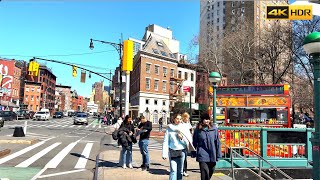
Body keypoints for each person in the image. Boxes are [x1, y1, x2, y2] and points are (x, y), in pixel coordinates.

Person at [193, 113, 222, 180]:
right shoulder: (198, 130)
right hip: (202, 154)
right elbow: (194, 141)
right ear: (202, 120)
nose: (207, 121)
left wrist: (218, 154)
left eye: (208, 119)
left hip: (212, 154)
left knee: (211, 170)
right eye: (205, 119)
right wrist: (193, 152)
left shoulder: (214, 129)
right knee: (204, 173)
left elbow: (217, 142)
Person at [162, 114, 190, 180]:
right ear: (174, 119)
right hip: (172, 150)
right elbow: (166, 141)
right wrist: (164, 153)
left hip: (182, 151)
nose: (178, 120)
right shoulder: (169, 128)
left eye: (180, 119)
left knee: (180, 171)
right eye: (177, 118)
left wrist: (181, 138)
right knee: (173, 170)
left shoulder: (184, 128)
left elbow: (188, 142)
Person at [181, 112, 193, 177]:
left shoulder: (188, 123)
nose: (188, 119)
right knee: (182, 157)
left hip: (187, 142)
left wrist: (191, 132)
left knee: (185, 157)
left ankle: (184, 170)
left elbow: (191, 129)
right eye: (187, 118)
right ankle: (182, 170)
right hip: (182, 142)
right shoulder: (181, 124)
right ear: (184, 117)